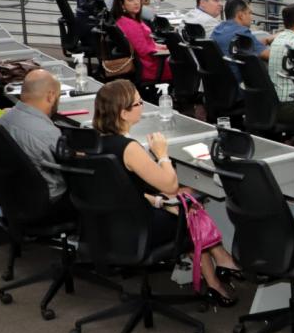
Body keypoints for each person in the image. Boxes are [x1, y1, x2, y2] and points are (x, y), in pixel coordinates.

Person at [90, 80, 240, 304]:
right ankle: (220, 269)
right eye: (138, 103)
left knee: (183, 199)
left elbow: (120, 190)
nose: (143, 106)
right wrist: (162, 155)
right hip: (139, 228)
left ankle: (217, 277)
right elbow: (169, 184)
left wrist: (159, 201)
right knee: (187, 204)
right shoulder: (129, 148)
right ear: (123, 113)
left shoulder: (93, 143)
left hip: (110, 223)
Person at [0, 69, 68, 205]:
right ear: (51, 96)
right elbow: (66, 170)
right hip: (48, 201)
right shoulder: (47, 133)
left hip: (12, 195)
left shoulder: (2, 120)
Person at [110, 0, 169, 85]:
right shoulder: (129, 24)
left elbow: (148, 43)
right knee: (184, 63)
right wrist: (167, 50)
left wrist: (163, 47)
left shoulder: (127, 19)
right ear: (122, 5)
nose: (136, 2)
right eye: (131, 0)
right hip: (150, 67)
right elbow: (144, 50)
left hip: (149, 62)